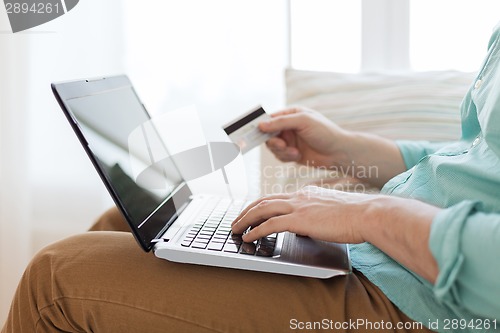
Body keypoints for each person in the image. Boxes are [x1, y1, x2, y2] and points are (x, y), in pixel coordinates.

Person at [3, 24, 500, 333]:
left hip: (431, 306)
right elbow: (474, 156)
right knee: (127, 221)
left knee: (55, 281)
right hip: (394, 262)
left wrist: (368, 213)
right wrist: (346, 148)